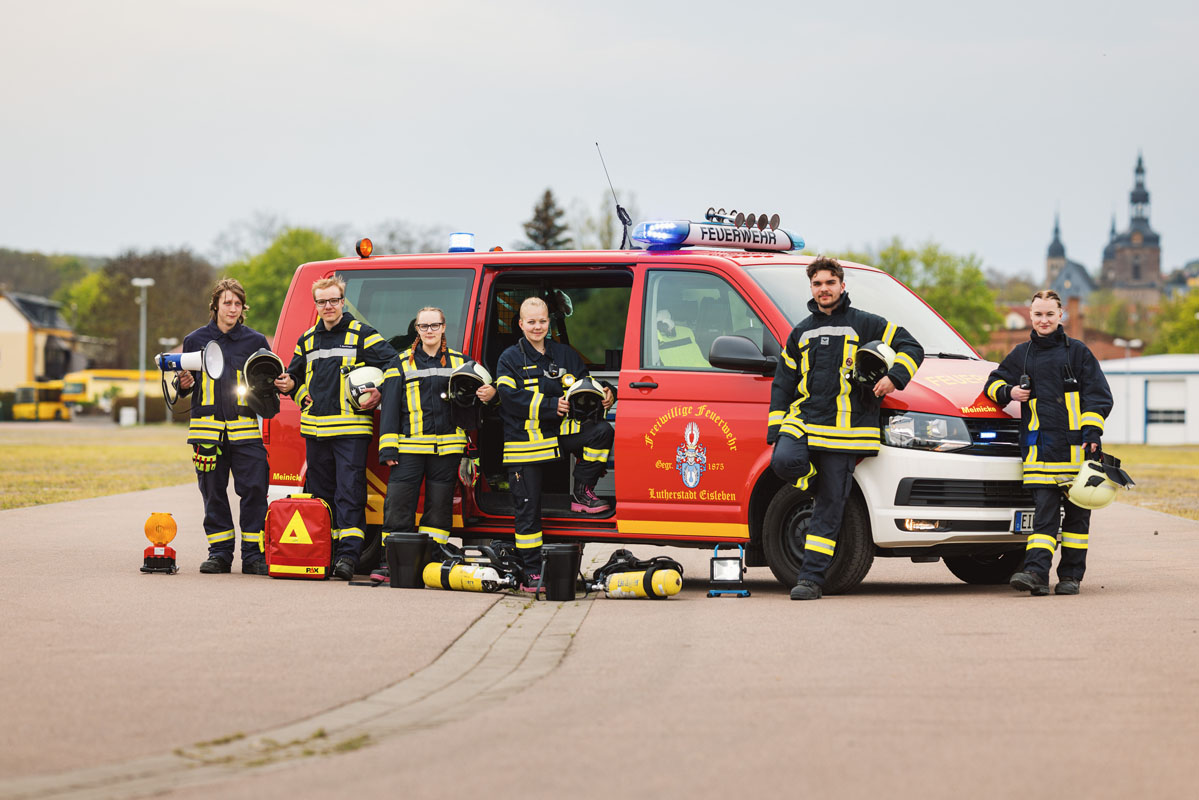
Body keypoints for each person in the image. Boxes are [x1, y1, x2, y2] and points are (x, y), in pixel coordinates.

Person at [768, 257, 924, 600]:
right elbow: (782, 384)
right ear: (811, 289)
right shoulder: (801, 331)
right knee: (782, 462)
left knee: (829, 508)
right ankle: (812, 481)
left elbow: (911, 346)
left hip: (846, 433)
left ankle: (810, 579)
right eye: (817, 284)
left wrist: (893, 378)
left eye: (829, 283)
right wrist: (775, 430)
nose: (823, 289)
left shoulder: (865, 324)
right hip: (803, 422)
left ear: (842, 285)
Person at [985, 289, 1113, 596]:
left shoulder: (1078, 353)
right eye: (1038, 314)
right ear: (1030, 316)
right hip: (1039, 453)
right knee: (1043, 519)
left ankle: (1070, 577)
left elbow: (1098, 397)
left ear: (1061, 316)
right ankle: (1035, 574)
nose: (1044, 320)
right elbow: (993, 383)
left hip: (1077, 454)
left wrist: (1093, 434)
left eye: (1050, 314)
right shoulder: (1022, 355)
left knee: (1077, 522)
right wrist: (1009, 393)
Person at [274, 275, 398, 581]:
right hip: (315, 431)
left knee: (349, 494)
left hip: (351, 433)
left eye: (333, 300)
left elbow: (393, 364)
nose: (328, 306)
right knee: (320, 497)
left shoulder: (362, 335)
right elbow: (291, 378)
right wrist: (301, 397)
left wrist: (380, 391)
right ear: (315, 305)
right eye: (322, 301)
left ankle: (347, 558)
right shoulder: (307, 339)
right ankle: (323, 554)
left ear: (343, 301)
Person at [496, 296, 615, 589]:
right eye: (532, 322)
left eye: (543, 321)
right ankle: (532, 572)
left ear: (550, 322)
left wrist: (608, 391)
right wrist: (551, 405)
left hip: (559, 438)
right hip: (525, 446)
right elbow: (509, 399)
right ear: (521, 323)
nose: (538, 327)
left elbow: (586, 384)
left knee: (602, 431)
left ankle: (582, 493)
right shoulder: (509, 358)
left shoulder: (565, 355)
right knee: (528, 510)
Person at [371, 306, 497, 582]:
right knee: (398, 508)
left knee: (439, 510)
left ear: (443, 327)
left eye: (434, 325)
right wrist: (388, 449)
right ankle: (390, 563)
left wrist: (490, 393)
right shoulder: (399, 363)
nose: (429, 331)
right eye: (423, 326)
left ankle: (429, 562)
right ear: (416, 330)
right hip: (409, 451)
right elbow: (390, 407)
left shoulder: (461, 362)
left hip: (448, 451)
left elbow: (479, 399)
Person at [176, 278, 272, 575]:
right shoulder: (195, 341)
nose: (232, 308)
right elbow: (181, 387)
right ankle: (219, 553)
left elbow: (267, 382)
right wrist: (182, 383)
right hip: (206, 434)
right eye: (227, 302)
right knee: (213, 493)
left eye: (237, 303)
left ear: (244, 307)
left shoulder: (256, 342)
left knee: (255, 489)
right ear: (215, 305)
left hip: (245, 433)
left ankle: (253, 555)